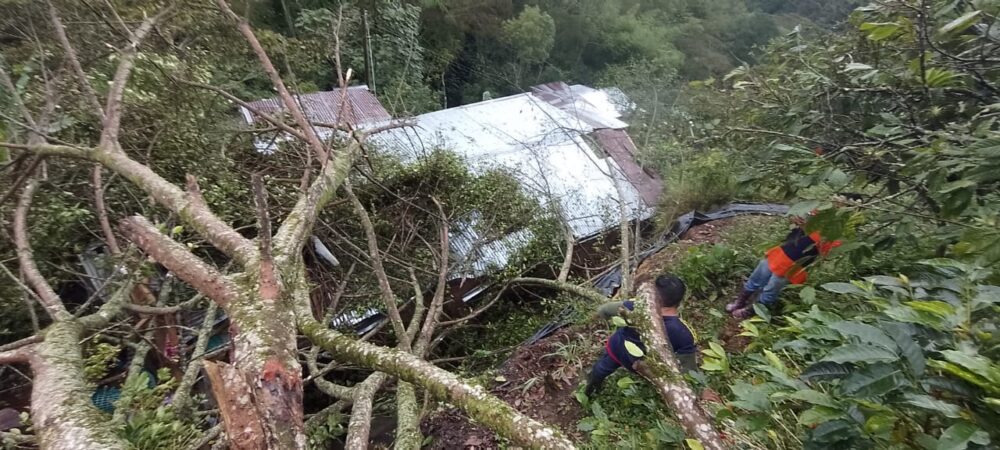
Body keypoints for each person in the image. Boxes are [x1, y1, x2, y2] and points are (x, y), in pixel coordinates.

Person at [583, 274, 697, 398]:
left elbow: (604, 310)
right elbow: (688, 369)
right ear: (679, 301)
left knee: (601, 369)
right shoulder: (683, 333)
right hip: (644, 366)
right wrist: (699, 390)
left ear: (654, 295)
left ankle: (589, 391)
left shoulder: (636, 306)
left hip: (618, 349)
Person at [726, 213, 842, 319]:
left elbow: (828, 253)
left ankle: (751, 311)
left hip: (794, 265)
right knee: (756, 278)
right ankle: (740, 302)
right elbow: (798, 218)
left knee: (771, 289)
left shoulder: (835, 233)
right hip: (781, 253)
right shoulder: (818, 214)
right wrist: (799, 221)